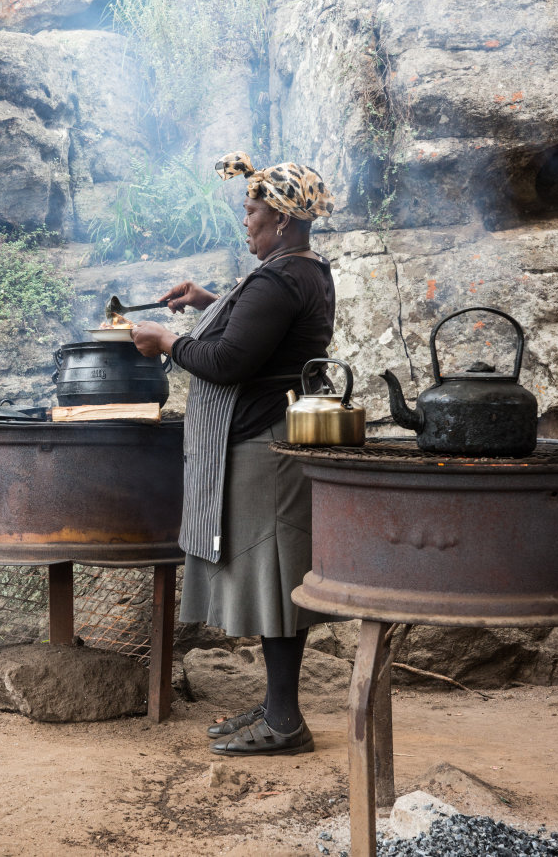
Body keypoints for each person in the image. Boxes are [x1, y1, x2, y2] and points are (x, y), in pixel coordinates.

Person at [131, 151, 337, 757]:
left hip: (263, 447)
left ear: (283, 221)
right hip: (271, 439)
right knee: (271, 581)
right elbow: (263, 332)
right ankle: (278, 708)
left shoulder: (279, 278)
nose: (245, 221)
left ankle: (285, 721)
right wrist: (207, 301)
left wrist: (166, 340)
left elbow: (228, 362)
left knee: (274, 583)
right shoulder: (305, 270)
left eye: (251, 211)